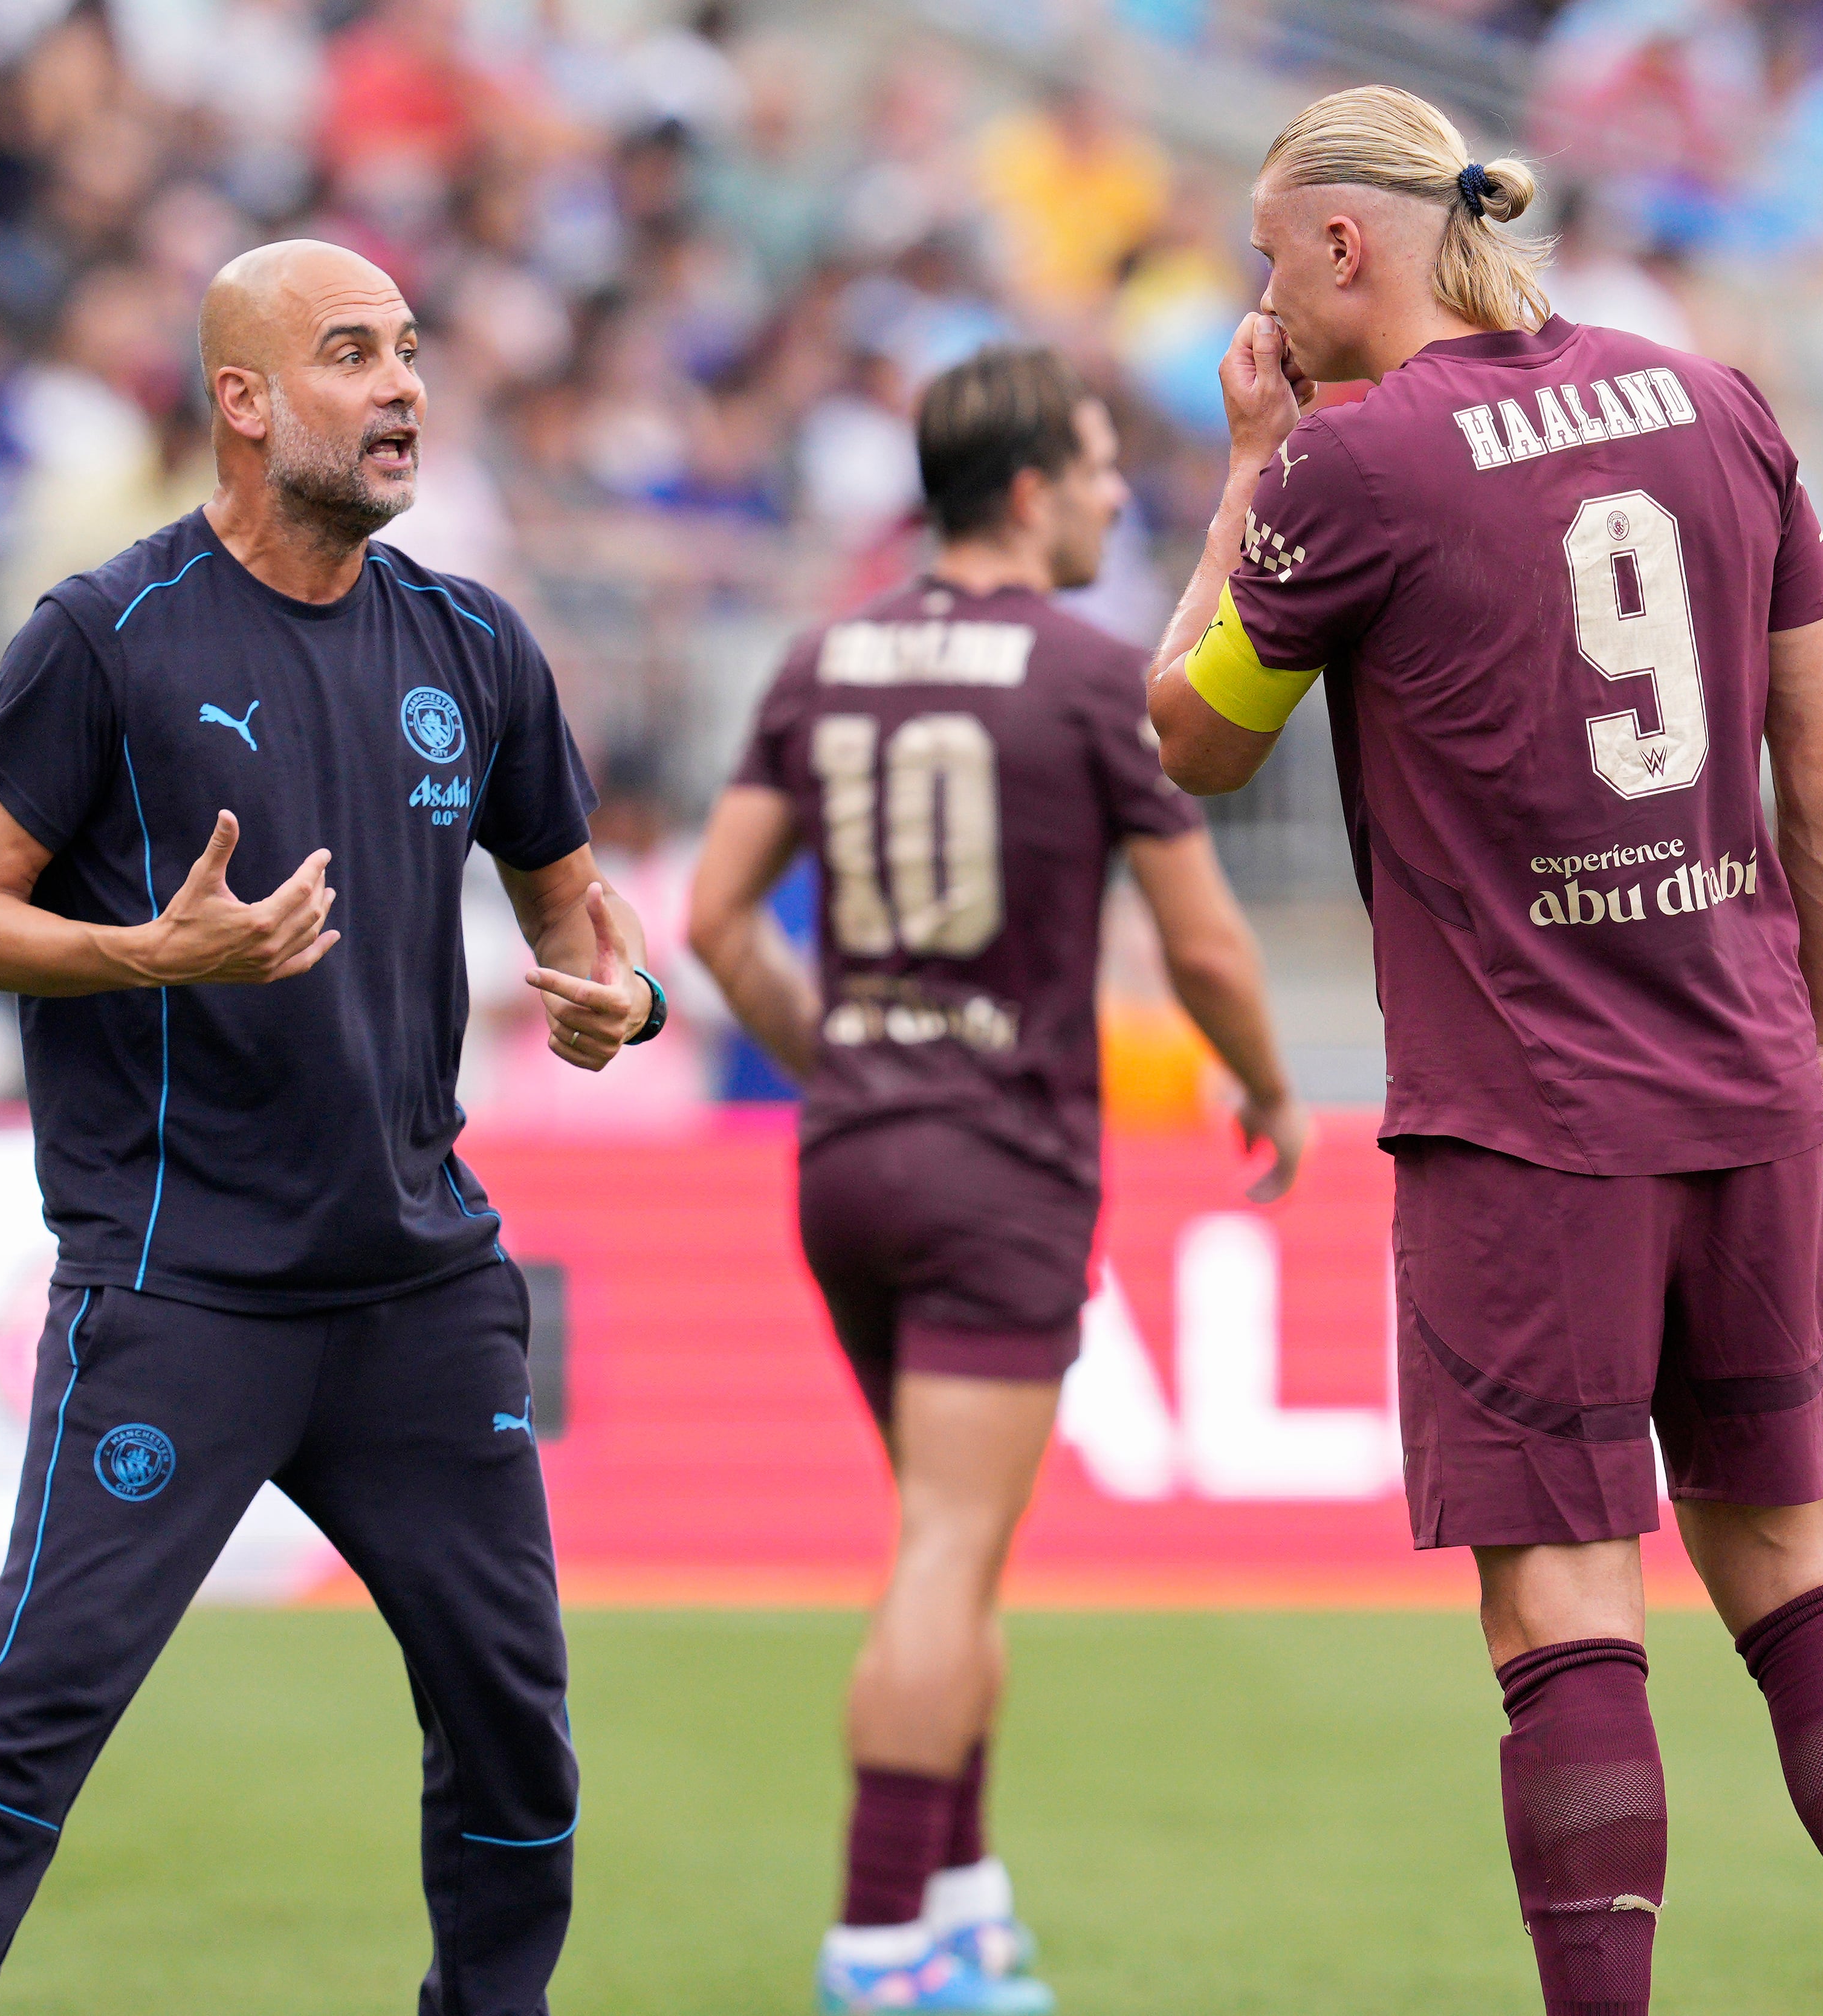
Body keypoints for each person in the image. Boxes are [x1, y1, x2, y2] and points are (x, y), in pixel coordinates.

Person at [1145, 87, 1823, 2016]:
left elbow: (1186, 740)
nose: (1260, 303)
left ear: (1347, 246)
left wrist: (1246, 467)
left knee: (1560, 1597)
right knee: (1788, 1559)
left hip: (1527, 1112)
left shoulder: (1354, 470)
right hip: (1750, 1072)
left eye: (1270, 260)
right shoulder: (1715, 401)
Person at [0, 239, 662, 2016]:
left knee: (516, 1743)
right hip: (182, 1297)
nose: (403, 389)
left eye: (409, 353)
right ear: (242, 400)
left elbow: (580, 917)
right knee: (35, 1711)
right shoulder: (102, 636)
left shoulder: (473, 641)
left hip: (420, 1293)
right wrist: (151, 950)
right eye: (351, 354)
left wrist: (628, 1000)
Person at [689, 343, 1307, 2016]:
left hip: (851, 1157)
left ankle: (958, 1899)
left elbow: (717, 918)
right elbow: (1199, 937)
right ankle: (878, 1941)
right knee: (953, 1550)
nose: (1119, 494)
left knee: (937, 1544)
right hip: (1002, 1160)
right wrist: (1267, 1086)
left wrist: (840, 1060)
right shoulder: (1088, 674)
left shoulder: (827, 655)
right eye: (1103, 468)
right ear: (1032, 490)